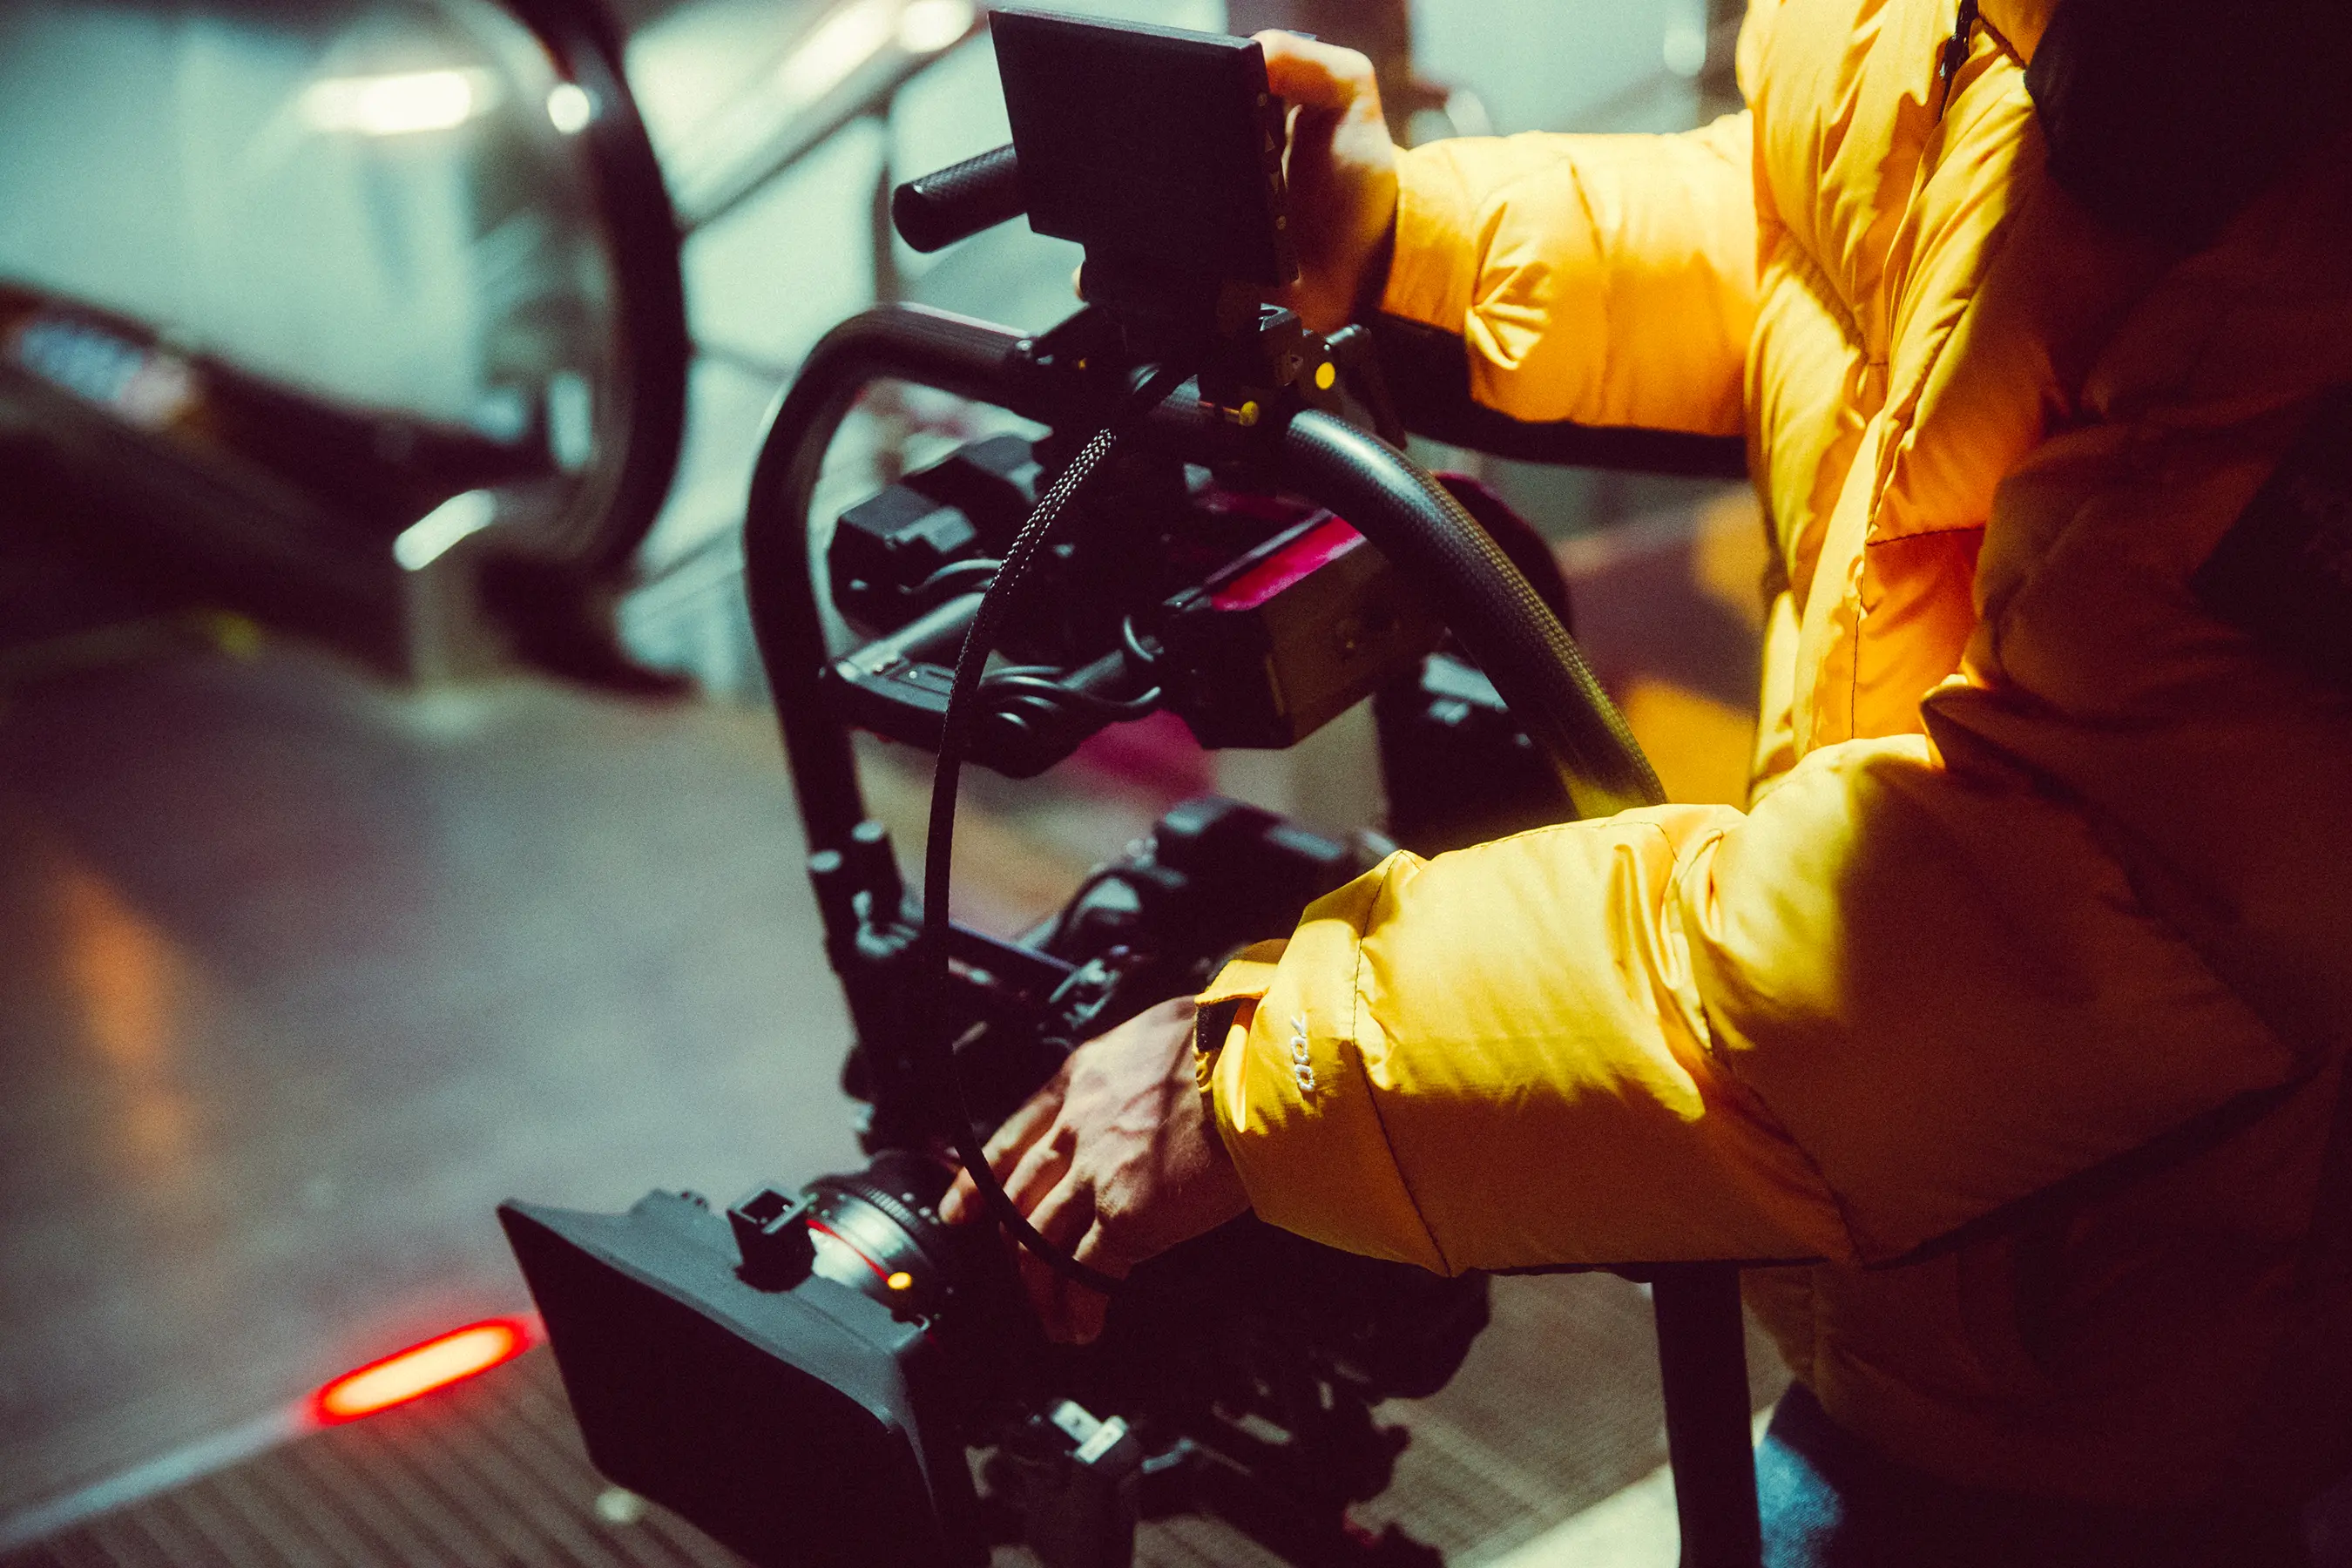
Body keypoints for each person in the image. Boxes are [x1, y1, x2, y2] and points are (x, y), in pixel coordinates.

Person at [942, 0, 2352, 1559]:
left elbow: (2071, 901)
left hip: (2146, 1375)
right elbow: (1833, 233)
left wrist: (1255, 1082)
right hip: (1950, 1272)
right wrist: (1413, 237)